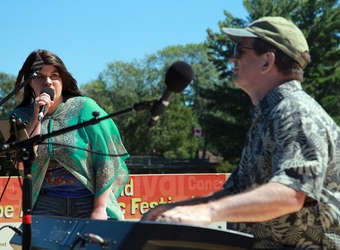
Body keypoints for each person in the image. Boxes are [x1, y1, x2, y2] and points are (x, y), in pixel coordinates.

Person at [141, 16, 340, 249]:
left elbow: (290, 194)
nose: (232, 57)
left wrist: (208, 212)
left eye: (240, 49)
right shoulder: (268, 115)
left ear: (267, 61)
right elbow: (234, 192)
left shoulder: (296, 112)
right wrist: (178, 209)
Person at [10, 49, 129, 220]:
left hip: (88, 201)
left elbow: (108, 158)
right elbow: (20, 163)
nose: (48, 82)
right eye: (39, 76)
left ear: (63, 79)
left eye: (55, 75)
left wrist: (99, 208)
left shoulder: (85, 108)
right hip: (44, 204)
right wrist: (37, 114)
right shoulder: (19, 117)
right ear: (29, 82)